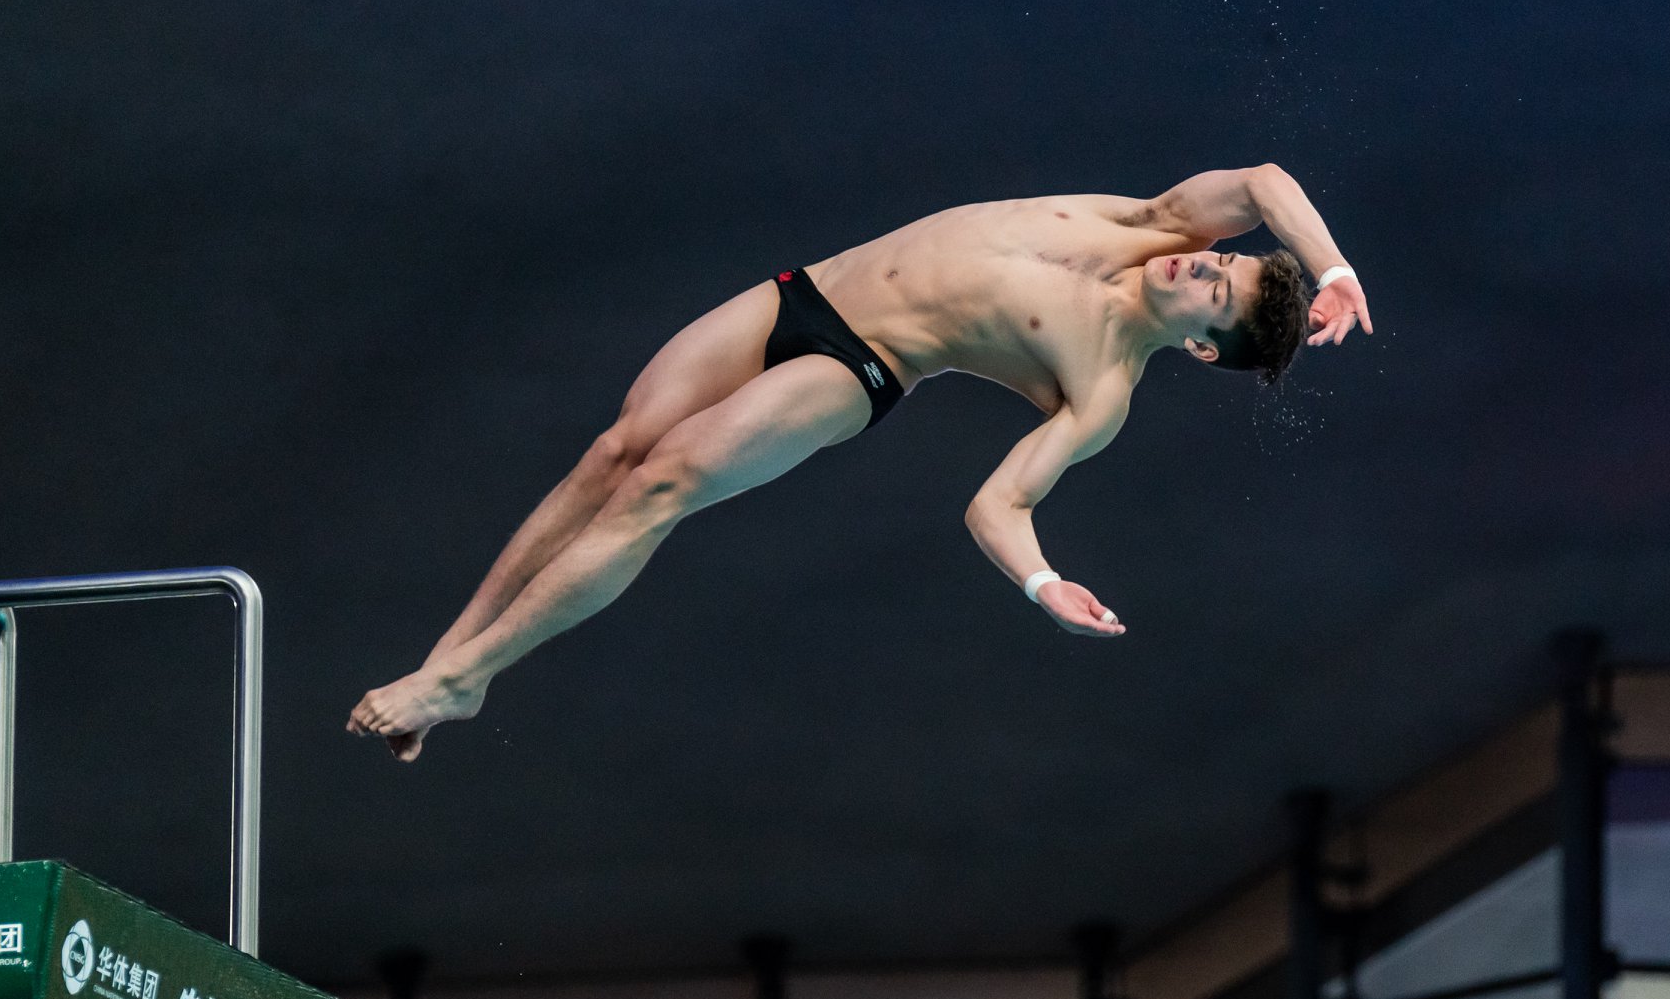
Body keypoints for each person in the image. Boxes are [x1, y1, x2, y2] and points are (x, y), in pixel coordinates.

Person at [348, 164, 1372, 761]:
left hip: (856, 367)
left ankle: (467, 677)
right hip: (806, 292)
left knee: (659, 486)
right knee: (613, 451)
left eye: (1213, 291)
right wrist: (1330, 267)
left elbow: (1000, 505)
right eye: (1224, 259)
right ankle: (448, 667)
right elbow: (1265, 182)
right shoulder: (1149, 223)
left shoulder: (1101, 386)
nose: (1201, 264)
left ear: (1201, 346)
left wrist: (1044, 583)